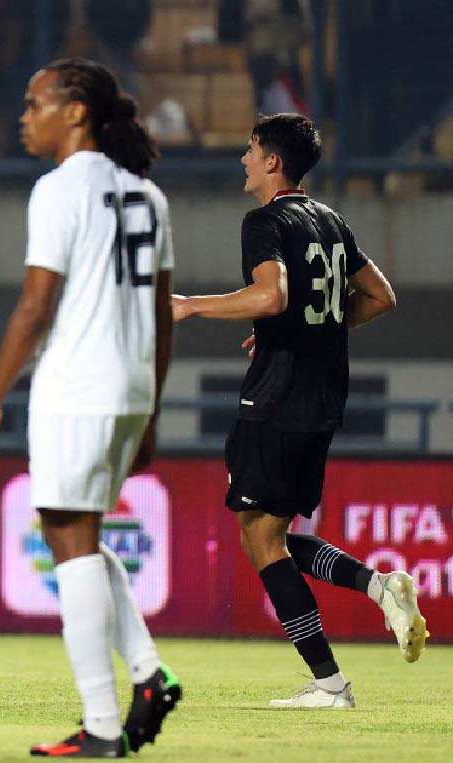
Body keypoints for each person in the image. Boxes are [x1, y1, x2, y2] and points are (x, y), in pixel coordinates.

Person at [173, 113, 423, 708]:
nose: (243, 159)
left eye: (250, 149)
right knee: (272, 531)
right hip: (323, 398)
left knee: (260, 540)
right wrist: (309, 332)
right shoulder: (333, 222)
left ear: (272, 162)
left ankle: (331, 682)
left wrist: (189, 305)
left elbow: (271, 294)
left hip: (276, 397)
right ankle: (378, 586)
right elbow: (381, 297)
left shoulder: (265, 220)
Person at [0, 59, 179, 757]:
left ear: (76, 113)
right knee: (73, 537)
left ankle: (102, 726)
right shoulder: (148, 197)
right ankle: (148, 674)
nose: (24, 117)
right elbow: (160, 313)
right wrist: (149, 409)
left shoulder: (60, 190)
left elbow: (34, 307)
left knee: (70, 543)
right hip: (127, 388)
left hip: (78, 384)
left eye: (35, 104)